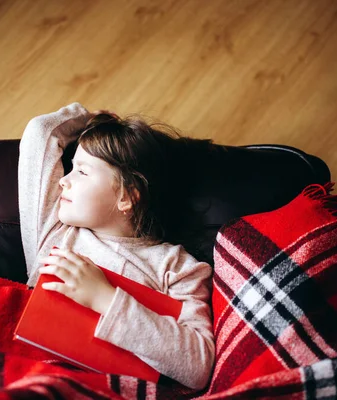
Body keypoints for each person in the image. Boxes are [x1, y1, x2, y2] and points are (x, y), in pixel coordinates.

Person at [18, 102, 215, 390]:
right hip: (35, 380)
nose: (64, 182)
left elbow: (199, 365)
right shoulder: (55, 233)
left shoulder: (177, 267)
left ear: (127, 196)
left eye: (82, 172)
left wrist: (105, 299)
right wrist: (93, 120)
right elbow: (41, 133)